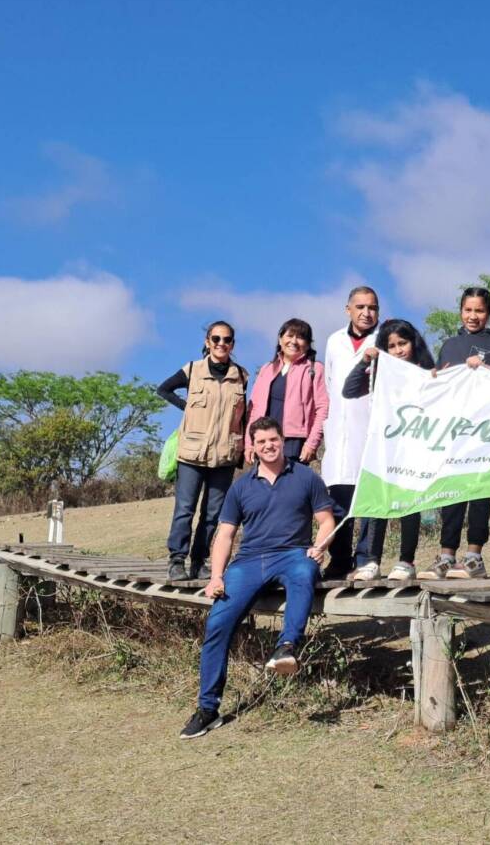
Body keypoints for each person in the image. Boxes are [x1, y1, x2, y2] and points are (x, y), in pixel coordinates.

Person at [179, 416, 336, 739]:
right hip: (249, 562)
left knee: (305, 573)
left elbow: (326, 521)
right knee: (217, 624)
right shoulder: (241, 487)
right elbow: (224, 535)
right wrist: (217, 576)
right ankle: (208, 709)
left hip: (293, 553)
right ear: (254, 447)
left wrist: (319, 548)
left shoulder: (306, 477)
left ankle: (286, 647)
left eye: (273, 440)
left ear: (282, 440)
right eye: (262, 442)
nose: (269, 446)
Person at [417, 287, 490, 581]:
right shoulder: (449, 346)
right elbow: (437, 388)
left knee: (479, 495)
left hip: (484, 435)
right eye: (468, 310)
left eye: (479, 311)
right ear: (460, 311)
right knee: (451, 494)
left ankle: (474, 557)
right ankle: (446, 556)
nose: (473, 316)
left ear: (488, 314)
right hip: (453, 433)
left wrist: (485, 370)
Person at [342, 318, 437, 582]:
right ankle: (372, 561)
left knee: (409, 505)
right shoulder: (378, 373)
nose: (398, 350)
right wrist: (364, 361)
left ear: (413, 343)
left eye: (402, 343)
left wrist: (437, 380)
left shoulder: (426, 371)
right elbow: (348, 391)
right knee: (378, 503)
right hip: (383, 449)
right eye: (391, 345)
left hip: (414, 448)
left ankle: (407, 561)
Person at [156, 321, 249, 582]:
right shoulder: (193, 370)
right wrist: (186, 407)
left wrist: (241, 451)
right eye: (216, 339)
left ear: (232, 344)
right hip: (191, 454)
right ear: (208, 342)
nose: (222, 344)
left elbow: (242, 417)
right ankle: (176, 561)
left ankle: (199, 561)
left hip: (224, 456)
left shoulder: (241, 376)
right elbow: (163, 388)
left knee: (212, 513)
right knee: (184, 509)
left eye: (227, 340)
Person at [322, 286, 382, 580]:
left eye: (372, 307)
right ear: (348, 309)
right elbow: (330, 384)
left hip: (372, 430)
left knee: (368, 497)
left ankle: (366, 558)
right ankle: (340, 559)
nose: (366, 313)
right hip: (339, 431)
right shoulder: (334, 341)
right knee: (338, 500)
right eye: (360, 307)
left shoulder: (385, 341)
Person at [246, 318, 329, 466]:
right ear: (280, 339)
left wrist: (311, 443)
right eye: (290, 336)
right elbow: (254, 409)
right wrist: (249, 442)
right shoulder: (266, 369)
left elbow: (323, 409)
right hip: (264, 441)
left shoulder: (315, 369)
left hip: (295, 444)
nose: (294, 341)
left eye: (300, 337)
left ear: (308, 344)